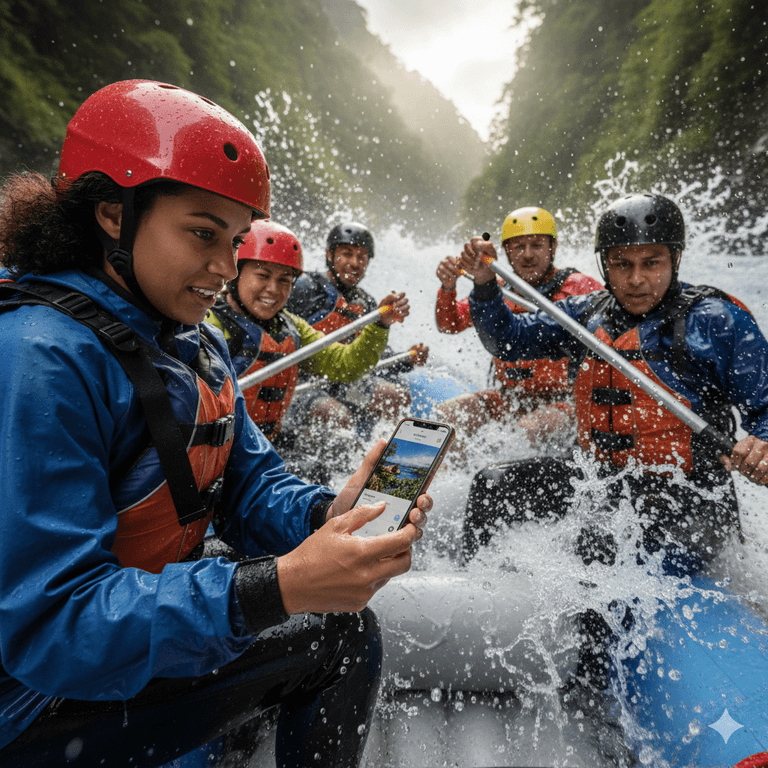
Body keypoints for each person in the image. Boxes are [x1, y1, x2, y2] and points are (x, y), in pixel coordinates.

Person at [0, 79, 431, 768]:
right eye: (202, 234)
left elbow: (247, 488)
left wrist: (327, 513)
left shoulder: (192, 344)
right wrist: (274, 588)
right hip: (27, 701)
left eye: (234, 239)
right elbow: (52, 626)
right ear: (113, 214)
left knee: (330, 613)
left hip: (109, 652)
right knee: (337, 637)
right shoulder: (37, 358)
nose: (227, 268)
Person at [459, 191, 768, 691]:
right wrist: (485, 285)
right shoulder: (586, 314)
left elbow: (767, 404)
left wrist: (764, 441)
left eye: (652, 262)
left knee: (599, 542)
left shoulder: (715, 320)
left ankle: (595, 692)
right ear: (604, 264)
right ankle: (470, 612)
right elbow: (507, 340)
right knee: (493, 487)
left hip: (688, 497)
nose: (636, 279)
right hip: (600, 479)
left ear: (675, 258)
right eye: (621, 264)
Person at [205, 220, 409, 443]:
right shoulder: (206, 321)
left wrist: (381, 325)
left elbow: (347, 364)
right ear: (236, 271)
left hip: (261, 447)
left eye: (284, 280)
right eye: (262, 276)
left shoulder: (293, 327)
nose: (273, 289)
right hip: (217, 449)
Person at [434, 206, 602, 447]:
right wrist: (448, 288)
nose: (527, 255)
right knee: (448, 417)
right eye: (518, 246)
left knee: (527, 431)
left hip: (567, 401)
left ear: (552, 247)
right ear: (506, 252)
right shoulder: (495, 290)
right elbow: (449, 324)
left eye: (536, 245)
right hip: (510, 398)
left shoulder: (580, 287)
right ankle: (456, 480)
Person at [285, 221, 429, 433]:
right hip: (301, 381)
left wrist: (407, 359)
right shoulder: (305, 287)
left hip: (341, 381)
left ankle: (380, 451)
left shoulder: (367, 303)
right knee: (334, 414)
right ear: (329, 255)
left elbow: (372, 357)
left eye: (362, 257)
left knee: (395, 396)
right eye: (347, 254)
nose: (355, 263)